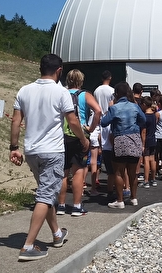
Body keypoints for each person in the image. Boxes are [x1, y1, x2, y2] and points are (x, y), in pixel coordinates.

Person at [9, 54, 89, 261]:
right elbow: (72, 122)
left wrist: (14, 147)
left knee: (48, 192)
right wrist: (83, 140)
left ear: (40, 68)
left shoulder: (24, 90)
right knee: (45, 196)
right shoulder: (60, 92)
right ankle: (28, 245)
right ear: (59, 70)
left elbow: (16, 121)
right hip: (52, 151)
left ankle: (57, 234)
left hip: (32, 151)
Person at [57, 69, 102, 217]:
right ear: (81, 80)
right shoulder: (85, 95)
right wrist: (92, 128)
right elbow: (98, 111)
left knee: (63, 172)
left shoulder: (61, 93)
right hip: (80, 135)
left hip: (61, 135)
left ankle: (61, 205)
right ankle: (76, 206)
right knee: (78, 171)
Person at [101, 81, 146, 209]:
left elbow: (104, 122)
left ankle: (120, 200)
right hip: (135, 139)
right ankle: (133, 198)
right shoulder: (135, 106)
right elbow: (143, 120)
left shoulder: (114, 108)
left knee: (119, 172)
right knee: (133, 172)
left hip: (120, 140)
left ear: (116, 94)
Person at [93, 71, 115, 201]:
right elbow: (112, 106)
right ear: (110, 78)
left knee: (97, 153)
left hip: (98, 119)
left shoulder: (96, 90)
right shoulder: (111, 90)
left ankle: (95, 180)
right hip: (108, 118)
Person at [140, 96, 158, 188]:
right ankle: (153, 179)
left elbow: (143, 132)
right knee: (152, 159)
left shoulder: (144, 117)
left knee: (146, 160)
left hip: (146, 140)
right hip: (153, 139)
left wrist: (142, 144)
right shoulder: (154, 115)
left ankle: (146, 180)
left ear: (144, 105)